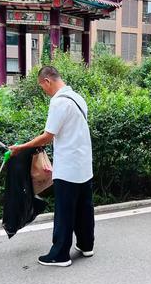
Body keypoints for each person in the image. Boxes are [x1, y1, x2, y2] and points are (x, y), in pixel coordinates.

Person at [9, 66, 94, 268]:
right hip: (83, 165)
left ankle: (60, 255)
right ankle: (86, 245)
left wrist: (21, 147)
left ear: (47, 81)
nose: (44, 91)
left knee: (64, 211)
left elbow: (47, 136)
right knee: (84, 208)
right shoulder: (77, 98)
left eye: (42, 87)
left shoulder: (58, 102)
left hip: (68, 167)